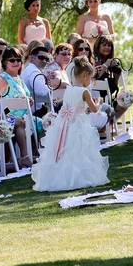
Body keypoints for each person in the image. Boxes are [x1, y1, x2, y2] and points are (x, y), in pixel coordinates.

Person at [31, 56, 110, 192]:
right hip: (78, 123)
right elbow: (94, 109)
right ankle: (81, 177)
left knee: (64, 151)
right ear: (85, 75)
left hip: (64, 124)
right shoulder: (84, 92)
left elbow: (68, 105)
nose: (90, 81)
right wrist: (98, 102)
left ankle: (59, 177)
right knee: (80, 150)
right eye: (90, 78)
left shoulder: (69, 89)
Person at [0, 47, 37, 167]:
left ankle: (39, 153)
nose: (16, 63)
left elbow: (26, 97)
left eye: (18, 60)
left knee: (43, 123)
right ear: (5, 62)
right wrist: (9, 115)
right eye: (12, 60)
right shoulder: (2, 79)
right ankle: (25, 156)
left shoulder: (19, 79)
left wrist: (29, 101)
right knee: (19, 123)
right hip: (6, 117)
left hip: (25, 116)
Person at [22, 42, 55, 115]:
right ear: (32, 58)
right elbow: (42, 91)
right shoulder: (34, 71)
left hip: (30, 111)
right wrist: (54, 87)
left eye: (46, 59)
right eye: (41, 57)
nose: (44, 61)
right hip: (33, 114)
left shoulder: (29, 69)